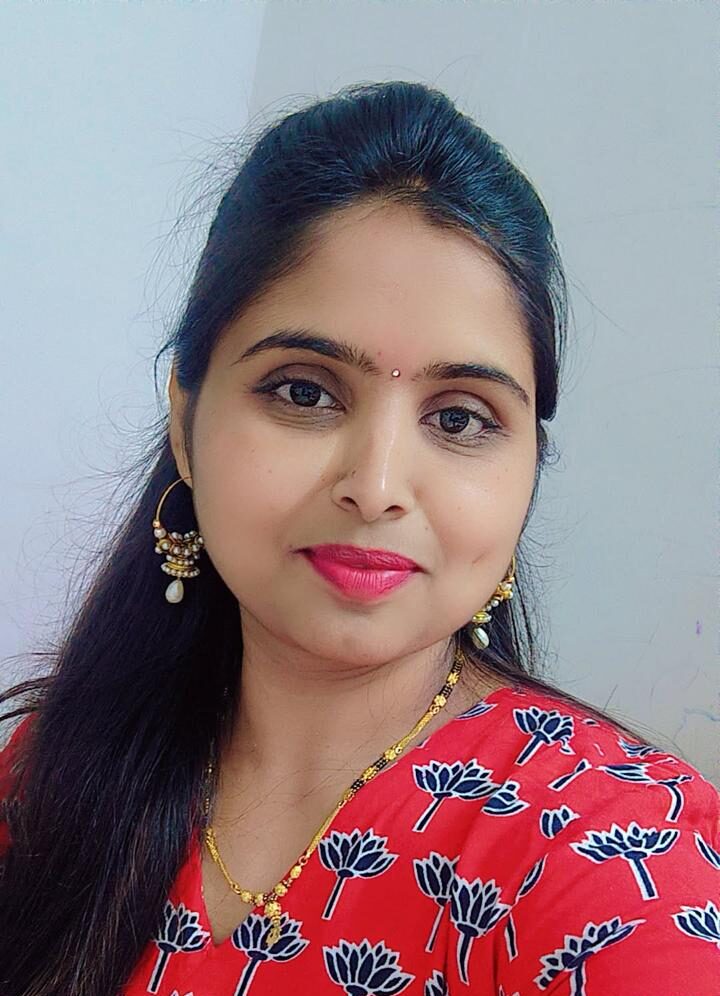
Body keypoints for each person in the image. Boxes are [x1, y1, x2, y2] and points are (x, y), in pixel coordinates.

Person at [0, 80, 717, 996]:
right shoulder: (56, 771)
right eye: (303, 392)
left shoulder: (613, 856)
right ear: (185, 422)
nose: (375, 489)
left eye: (459, 418)